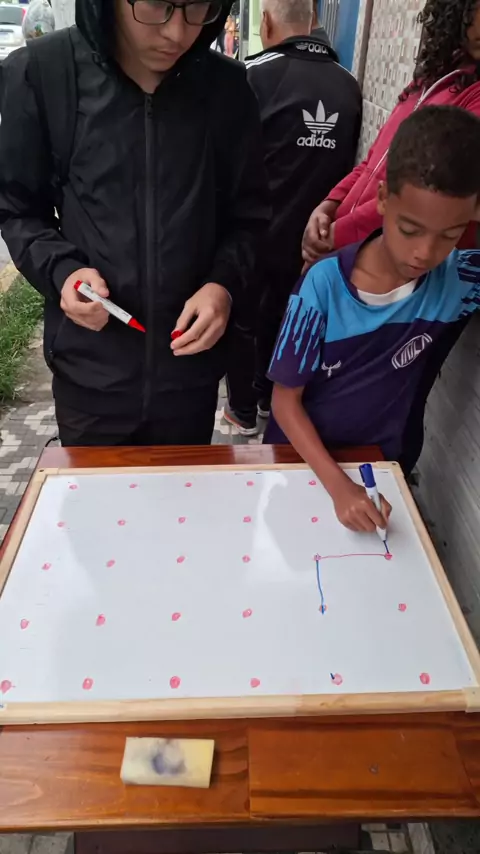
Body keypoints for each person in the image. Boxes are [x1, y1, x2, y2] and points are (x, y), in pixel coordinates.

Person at [0, 0, 268, 447]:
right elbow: (17, 209)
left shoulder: (227, 89)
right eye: (158, 6)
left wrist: (223, 285)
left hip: (189, 377)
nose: (177, 33)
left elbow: (250, 218)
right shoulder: (44, 74)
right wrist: (62, 271)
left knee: (181, 492)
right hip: (90, 378)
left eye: (197, 8)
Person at [266, 106, 480, 533]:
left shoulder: (457, 280)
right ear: (383, 198)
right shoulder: (323, 287)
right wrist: (339, 488)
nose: (425, 253)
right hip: (299, 465)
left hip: (379, 468)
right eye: (410, 229)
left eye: (449, 234)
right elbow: (284, 403)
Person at [223, 0, 362, 435]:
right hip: (316, 242)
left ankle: (242, 410)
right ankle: (270, 397)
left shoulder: (250, 75)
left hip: (255, 236)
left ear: (265, 22)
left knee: (243, 319)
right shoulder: (348, 85)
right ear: (314, 22)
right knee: (290, 317)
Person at [302, 0, 480, 268]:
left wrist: (335, 237)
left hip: (399, 271)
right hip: (351, 252)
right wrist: (329, 204)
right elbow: (373, 161)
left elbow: (425, 193)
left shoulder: (474, 96)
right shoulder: (430, 79)